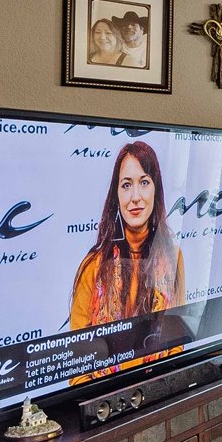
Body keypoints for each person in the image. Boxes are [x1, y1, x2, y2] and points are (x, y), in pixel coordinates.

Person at [69, 139, 184, 328]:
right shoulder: (93, 266)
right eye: (126, 185)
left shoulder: (174, 257)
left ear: (156, 190)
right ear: (116, 195)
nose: (135, 197)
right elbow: (78, 342)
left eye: (144, 182)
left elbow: (176, 334)